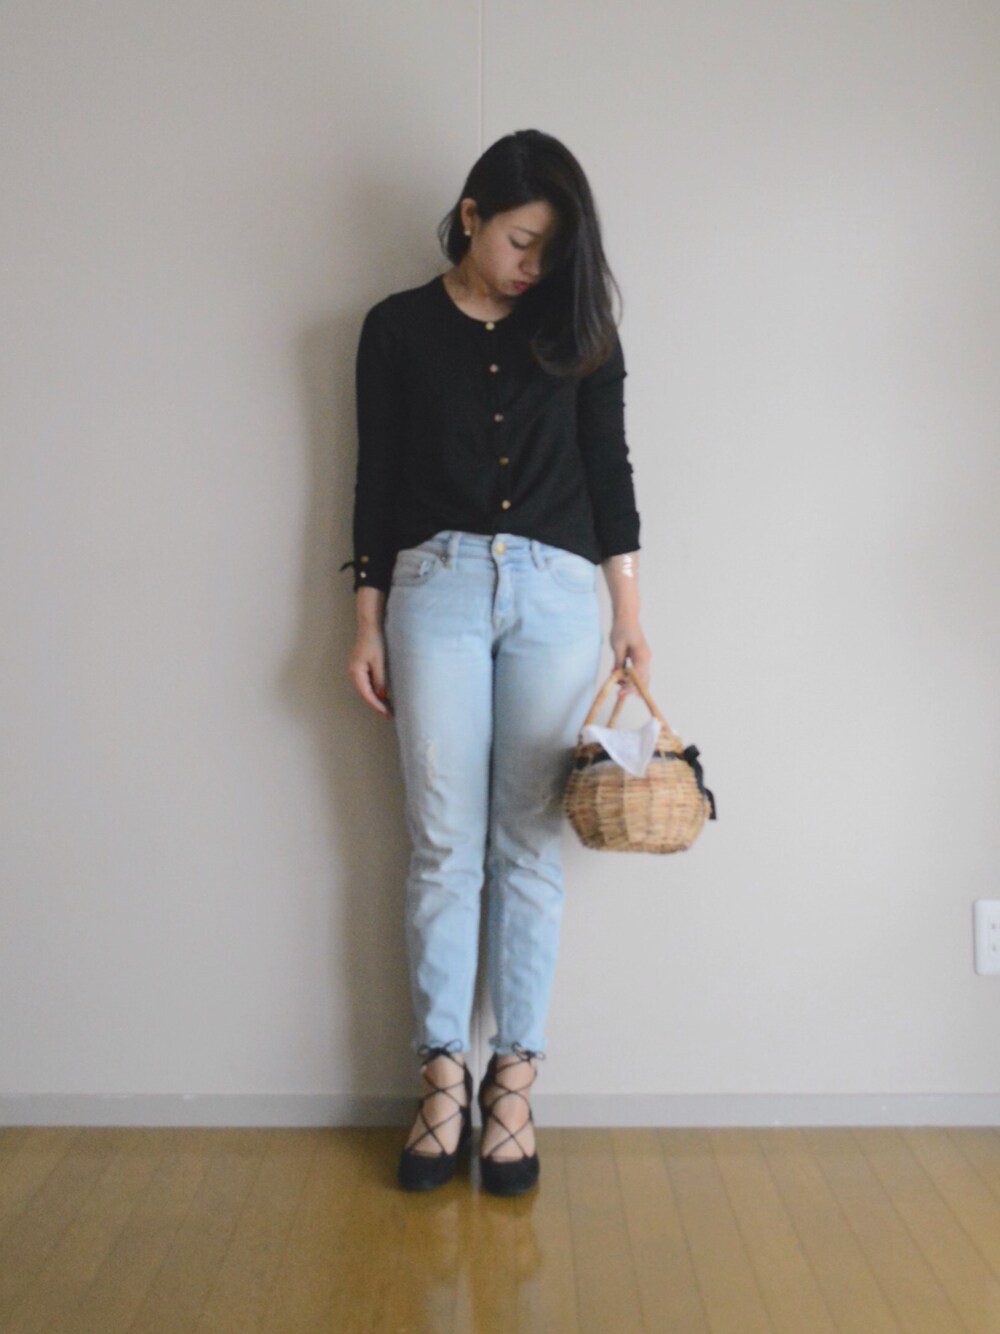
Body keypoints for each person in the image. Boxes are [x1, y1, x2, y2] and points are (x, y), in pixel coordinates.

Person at [343, 129, 650, 1196]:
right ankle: (441, 1075)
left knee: (527, 842)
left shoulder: (581, 331)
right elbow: (376, 476)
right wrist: (365, 617)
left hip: (559, 596)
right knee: (441, 843)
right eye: (520, 241)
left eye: (550, 251)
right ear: (471, 214)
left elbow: (610, 469)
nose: (532, 266)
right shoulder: (394, 328)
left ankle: (513, 1080)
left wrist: (628, 612)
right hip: (431, 588)